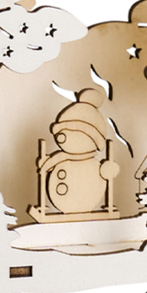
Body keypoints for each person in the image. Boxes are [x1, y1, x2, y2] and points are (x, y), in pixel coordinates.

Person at [32, 90, 119, 220]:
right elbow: (45, 167)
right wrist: (45, 164)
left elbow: (107, 172)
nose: (62, 139)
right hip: (62, 200)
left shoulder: (93, 164)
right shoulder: (61, 159)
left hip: (89, 198)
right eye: (61, 134)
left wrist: (109, 170)